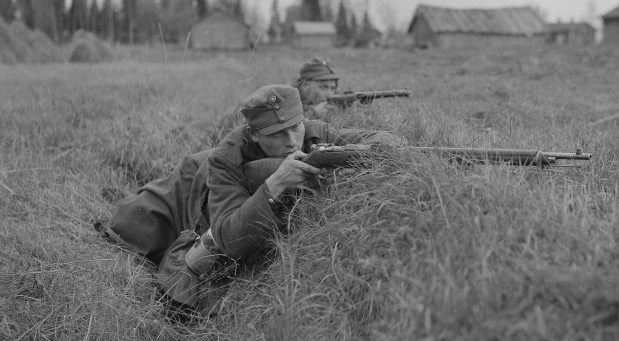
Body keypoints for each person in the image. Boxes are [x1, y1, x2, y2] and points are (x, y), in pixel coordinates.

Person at [97, 84, 400, 317]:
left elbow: (386, 140)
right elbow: (230, 238)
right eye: (277, 134)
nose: (292, 141)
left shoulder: (312, 133)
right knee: (140, 227)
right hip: (192, 186)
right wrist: (275, 184)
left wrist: (347, 156)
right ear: (254, 135)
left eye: (295, 128)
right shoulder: (225, 160)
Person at [213, 57, 341, 139]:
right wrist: (313, 113)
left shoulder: (304, 98)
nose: (330, 94)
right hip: (222, 135)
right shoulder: (280, 97)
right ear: (305, 85)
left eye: (333, 88)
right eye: (324, 87)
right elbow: (275, 126)